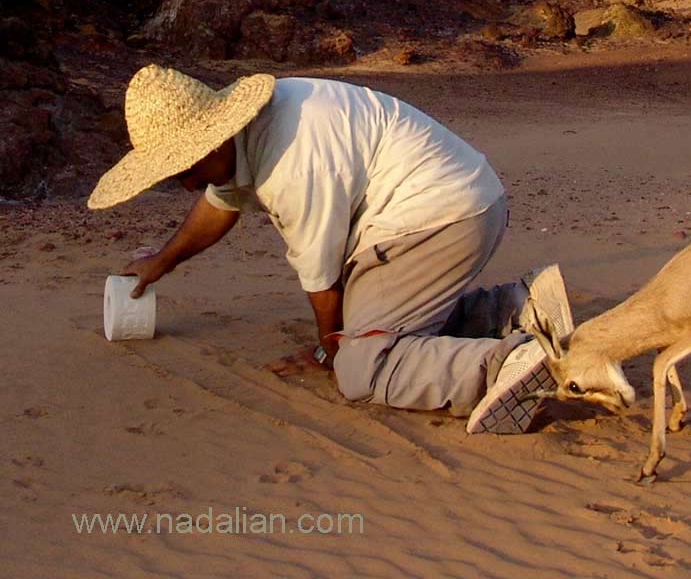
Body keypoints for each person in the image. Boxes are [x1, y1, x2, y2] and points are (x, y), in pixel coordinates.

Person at [88, 64, 573, 433]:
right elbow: (220, 203)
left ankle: (503, 367)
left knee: (366, 368)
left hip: (436, 220)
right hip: (462, 203)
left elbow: (324, 284)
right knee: (384, 321)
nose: (183, 182)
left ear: (212, 143)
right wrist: (161, 262)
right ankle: (516, 307)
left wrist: (331, 354)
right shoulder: (255, 128)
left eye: (183, 169)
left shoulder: (289, 164)